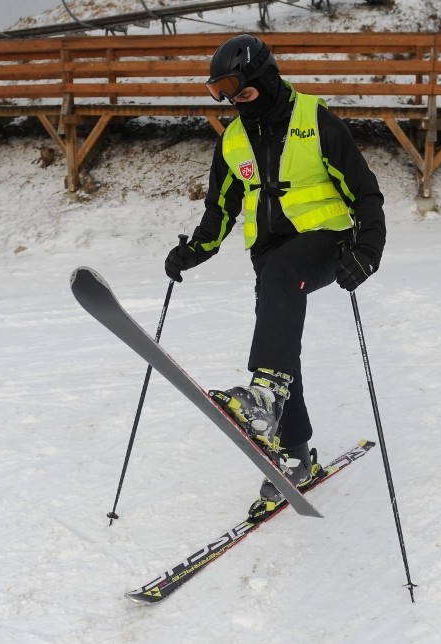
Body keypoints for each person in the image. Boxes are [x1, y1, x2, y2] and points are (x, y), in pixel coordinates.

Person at [164, 34, 386, 519]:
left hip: (327, 241)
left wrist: (368, 249)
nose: (239, 107)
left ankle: (263, 397)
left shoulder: (313, 119)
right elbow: (220, 206)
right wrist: (193, 251)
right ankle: (295, 451)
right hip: (269, 256)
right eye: (230, 100)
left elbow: (364, 191)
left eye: (243, 95)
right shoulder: (233, 139)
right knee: (281, 350)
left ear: (266, 80)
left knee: (279, 316)